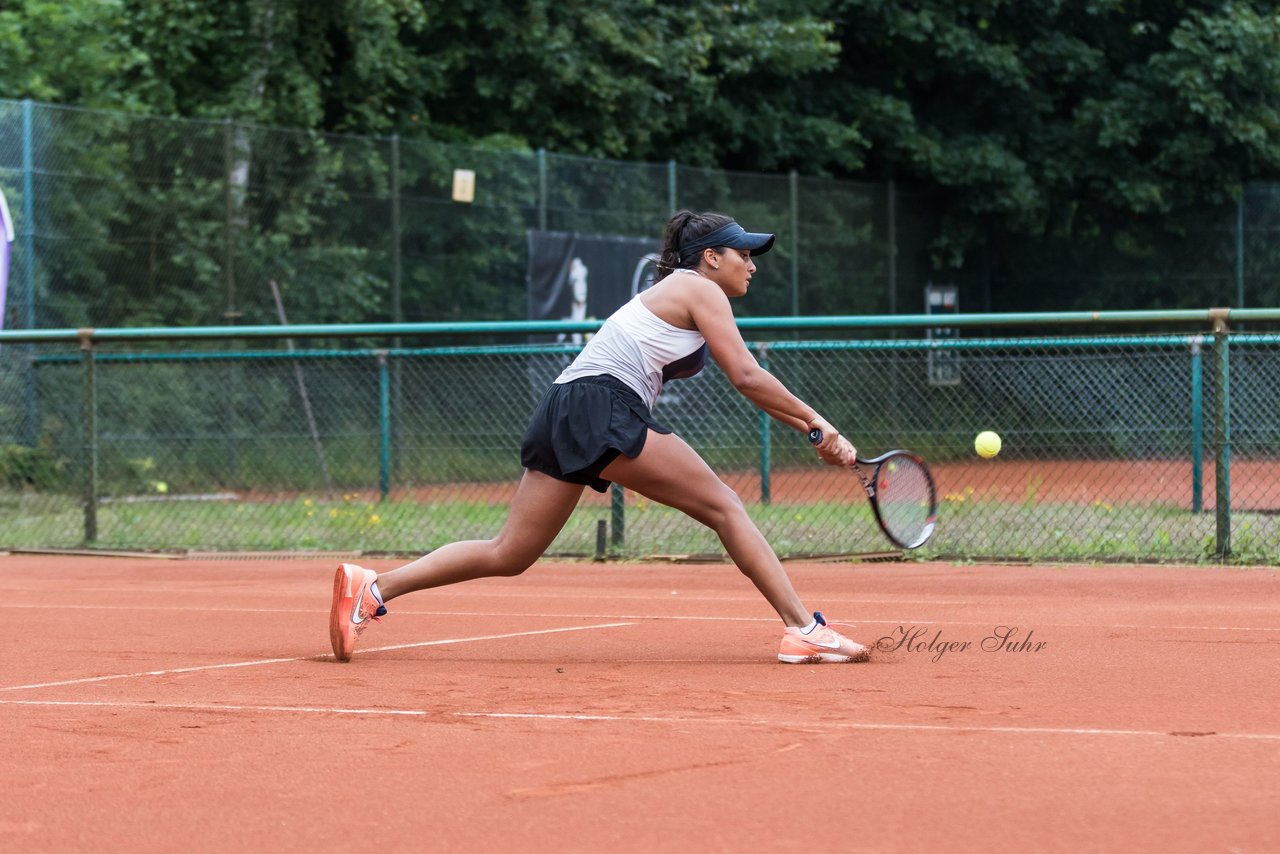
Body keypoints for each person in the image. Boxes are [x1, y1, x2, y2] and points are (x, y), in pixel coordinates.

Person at [329, 210, 870, 664]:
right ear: (711, 258)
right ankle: (803, 628)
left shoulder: (680, 293)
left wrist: (812, 429)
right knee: (725, 506)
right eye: (743, 254)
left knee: (510, 552)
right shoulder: (697, 288)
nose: (751, 265)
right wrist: (819, 426)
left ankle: (372, 589)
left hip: (565, 405)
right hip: (600, 405)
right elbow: (747, 376)